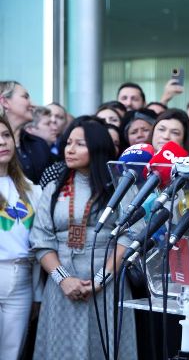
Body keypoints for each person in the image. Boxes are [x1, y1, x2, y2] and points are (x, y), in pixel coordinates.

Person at [29, 116, 137, 359]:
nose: (70, 149)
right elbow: (40, 240)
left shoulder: (120, 185)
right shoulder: (54, 187)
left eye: (80, 144)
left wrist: (100, 279)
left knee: (106, 346)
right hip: (62, 284)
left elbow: (128, 237)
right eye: (68, 143)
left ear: (98, 147)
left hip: (106, 283)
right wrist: (63, 279)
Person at [0, 115, 42, 360]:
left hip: (22, 279)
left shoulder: (30, 189)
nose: (2, 142)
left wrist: (37, 294)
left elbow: (38, 244)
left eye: (6, 135)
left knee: (12, 353)